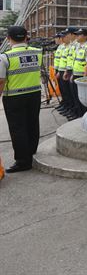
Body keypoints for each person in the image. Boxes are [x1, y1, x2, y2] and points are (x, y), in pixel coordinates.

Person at [0, 26, 43, 173]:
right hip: (34, 94)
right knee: (32, 123)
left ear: (8, 38)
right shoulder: (38, 53)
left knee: (18, 128)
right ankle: (31, 151)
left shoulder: (5, 57)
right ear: (26, 37)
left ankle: (23, 161)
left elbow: (1, 81)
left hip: (14, 97)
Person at [69, 28, 87, 117]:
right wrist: (72, 74)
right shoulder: (78, 47)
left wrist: (85, 78)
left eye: (79, 35)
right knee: (76, 97)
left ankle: (84, 116)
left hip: (82, 77)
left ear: (86, 36)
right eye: (77, 35)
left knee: (83, 99)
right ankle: (78, 115)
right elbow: (74, 62)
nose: (77, 37)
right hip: (76, 75)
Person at [62, 27, 80, 120]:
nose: (66, 36)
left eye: (67, 34)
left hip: (75, 72)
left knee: (76, 95)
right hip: (70, 70)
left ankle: (78, 113)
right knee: (71, 93)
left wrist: (71, 72)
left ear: (73, 34)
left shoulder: (77, 45)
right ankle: (74, 111)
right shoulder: (72, 45)